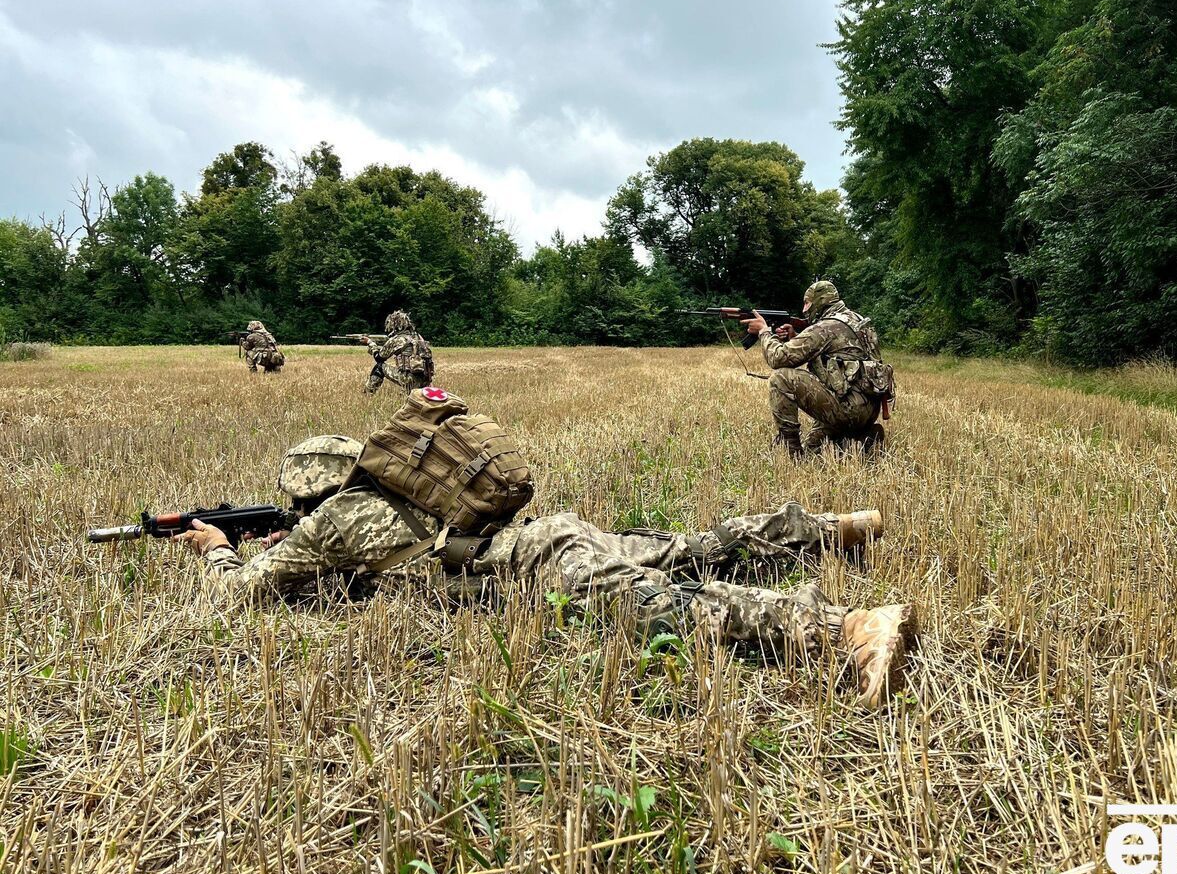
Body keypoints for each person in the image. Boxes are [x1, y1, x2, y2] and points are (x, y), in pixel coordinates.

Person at [173, 435, 917, 707]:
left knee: (674, 604)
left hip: (536, 567)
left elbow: (242, 596)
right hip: (547, 536)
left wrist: (218, 548)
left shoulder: (329, 523)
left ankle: (844, 625)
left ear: (309, 493)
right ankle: (827, 527)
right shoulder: (402, 490)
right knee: (689, 546)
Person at [743, 280, 888, 457]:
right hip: (868, 409)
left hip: (847, 409)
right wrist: (795, 337)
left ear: (820, 301)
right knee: (814, 449)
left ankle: (791, 453)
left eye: (807, 303)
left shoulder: (825, 327)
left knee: (781, 378)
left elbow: (778, 358)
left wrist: (764, 331)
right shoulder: (856, 320)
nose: (804, 309)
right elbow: (834, 359)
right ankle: (862, 438)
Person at [364, 311, 434, 394]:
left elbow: (379, 358)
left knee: (379, 367)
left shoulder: (398, 339)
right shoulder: (418, 337)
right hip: (425, 381)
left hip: (409, 380)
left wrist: (371, 343)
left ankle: (368, 393)